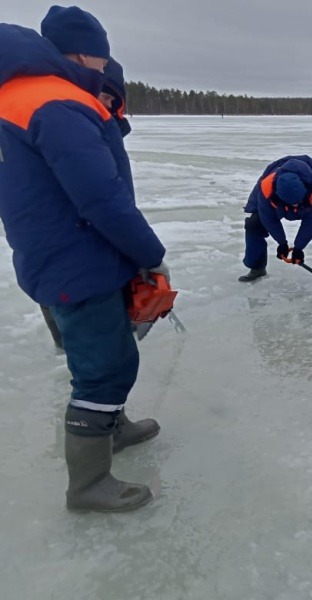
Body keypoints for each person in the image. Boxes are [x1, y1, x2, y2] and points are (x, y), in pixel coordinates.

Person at [0, 6, 167, 512]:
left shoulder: (17, 98)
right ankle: (89, 484)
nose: (104, 65)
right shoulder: (56, 103)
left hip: (52, 253)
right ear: (80, 53)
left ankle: (111, 427)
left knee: (97, 356)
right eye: (102, 55)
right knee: (105, 369)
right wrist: (150, 256)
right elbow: (100, 198)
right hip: (80, 259)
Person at [39, 55, 131, 352]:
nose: (104, 103)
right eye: (100, 94)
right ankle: (67, 346)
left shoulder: (105, 127)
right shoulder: (61, 122)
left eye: (110, 97)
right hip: (60, 244)